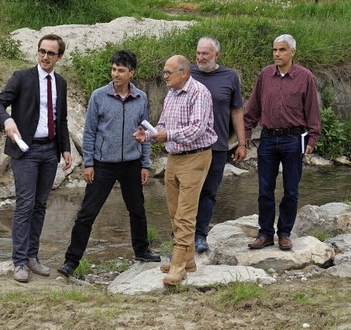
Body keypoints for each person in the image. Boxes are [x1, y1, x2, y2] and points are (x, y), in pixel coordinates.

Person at [57, 50, 160, 278]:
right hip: (103, 165)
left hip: (132, 163)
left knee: (137, 210)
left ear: (131, 72)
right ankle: (71, 261)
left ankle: (142, 251)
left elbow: (144, 132)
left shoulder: (140, 98)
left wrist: (145, 164)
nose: (116, 74)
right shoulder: (99, 96)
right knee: (87, 214)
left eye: (121, 70)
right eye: (113, 69)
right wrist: (89, 163)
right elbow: (90, 132)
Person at [0, 33, 73, 283]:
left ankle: (32, 257)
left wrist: (66, 148)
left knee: (40, 205)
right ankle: (19, 262)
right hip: (25, 150)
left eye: (50, 53)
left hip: (50, 150)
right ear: (37, 52)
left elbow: (62, 119)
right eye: (42, 51)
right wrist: (7, 120)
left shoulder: (60, 82)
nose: (45, 56)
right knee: (25, 204)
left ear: (59, 56)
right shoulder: (22, 77)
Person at [134, 55, 217, 286]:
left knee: (185, 213)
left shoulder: (199, 93)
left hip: (196, 156)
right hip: (174, 157)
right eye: (164, 72)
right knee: (173, 211)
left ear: (184, 73)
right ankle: (188, 260)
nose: (165, 76)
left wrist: (167, 135)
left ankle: (178, 265)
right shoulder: (172, 93)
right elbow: (162, 125)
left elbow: (198, 129)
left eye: (169, 72)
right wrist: (148, 135)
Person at [244, 34, 321, 251]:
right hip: (267, 138)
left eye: (282, 50)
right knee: (264, 189)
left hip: (293, 138)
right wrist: (247, 131)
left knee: (291, 190)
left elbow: (313, 111)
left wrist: (313, 137)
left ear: (293, 52)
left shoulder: (305, 77)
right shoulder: (265, 75)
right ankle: (265, 233)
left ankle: (285, 233)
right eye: (275, 50)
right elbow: (254, 106)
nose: (277, 54)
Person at [191, 37, 246, 253]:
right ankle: (180, 239)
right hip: (191, 146)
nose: (200, 58)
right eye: (198, 53)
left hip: (218, 145)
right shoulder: (187, 74)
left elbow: (237, 110)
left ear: (216, 56)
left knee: (209, 193)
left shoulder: (230, 76)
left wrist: (241, 143)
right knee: (187, 193)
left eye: (205, 54)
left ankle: (200, 236)